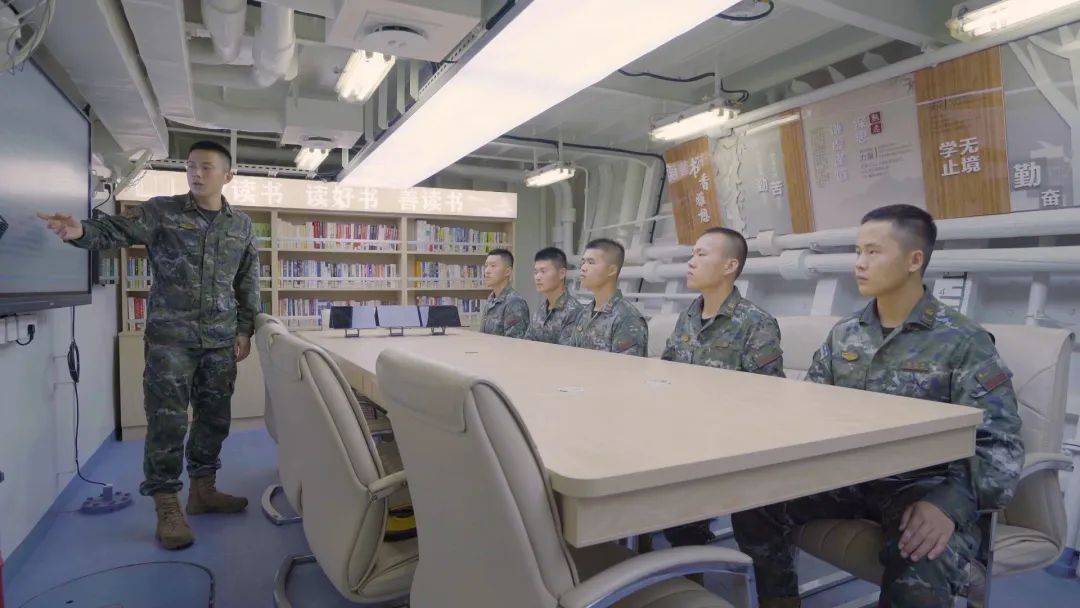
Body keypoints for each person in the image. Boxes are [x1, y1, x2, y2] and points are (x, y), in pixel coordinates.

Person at [731, 205, 1024, 608]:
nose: (859, 263)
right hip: (849, 475)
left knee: (922, 556)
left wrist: (948, 504)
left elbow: (999, 445)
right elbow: (809, 410)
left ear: (914, 260)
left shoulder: (962, 341)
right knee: (754, 504)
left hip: (921, 483)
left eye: (873, 252)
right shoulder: (845, 335)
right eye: (858, 252)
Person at [38, 141, 260, 550]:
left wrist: (244, 330)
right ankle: (167, 505)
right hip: (170, 340)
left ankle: (203, 491)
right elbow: (117, 231)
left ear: (227, 176)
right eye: (190, 166)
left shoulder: (241, 225)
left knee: (214, 419)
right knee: (167, 421)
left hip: (219, 341)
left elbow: (248, 281)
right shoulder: (162, 212)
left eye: (206, 167)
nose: (196, 174)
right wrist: (80, 231)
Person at [661, 227, 784, 548]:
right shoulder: (688, 317)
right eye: (692, 254)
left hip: (730, 445)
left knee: (760, 542)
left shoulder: (756, 323)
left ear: (730, 266)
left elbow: (768, 401)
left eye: (701, 255)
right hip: (683, 437)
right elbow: (666, 373)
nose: (691, 262)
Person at [564, 238, 647, 356]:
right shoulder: (584, 313)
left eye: (591, 262)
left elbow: (627, 367)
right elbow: (571, 356)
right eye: (583, 262)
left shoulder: (627, 319)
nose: (583, 268)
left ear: (611, 270)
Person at [524, 246, 584, 344]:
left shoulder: (574, 312)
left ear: (562, 273)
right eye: (535, 272)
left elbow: (565, 351)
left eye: (543, 271)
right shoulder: (541, 310)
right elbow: (527, 343)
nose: (538, 277)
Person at [479, 248, 529, 338]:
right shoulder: (491, 299)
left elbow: (515, 343)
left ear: (507, 272)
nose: (487, 271)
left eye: (493, 266)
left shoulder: (514, 302)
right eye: (486, 266)